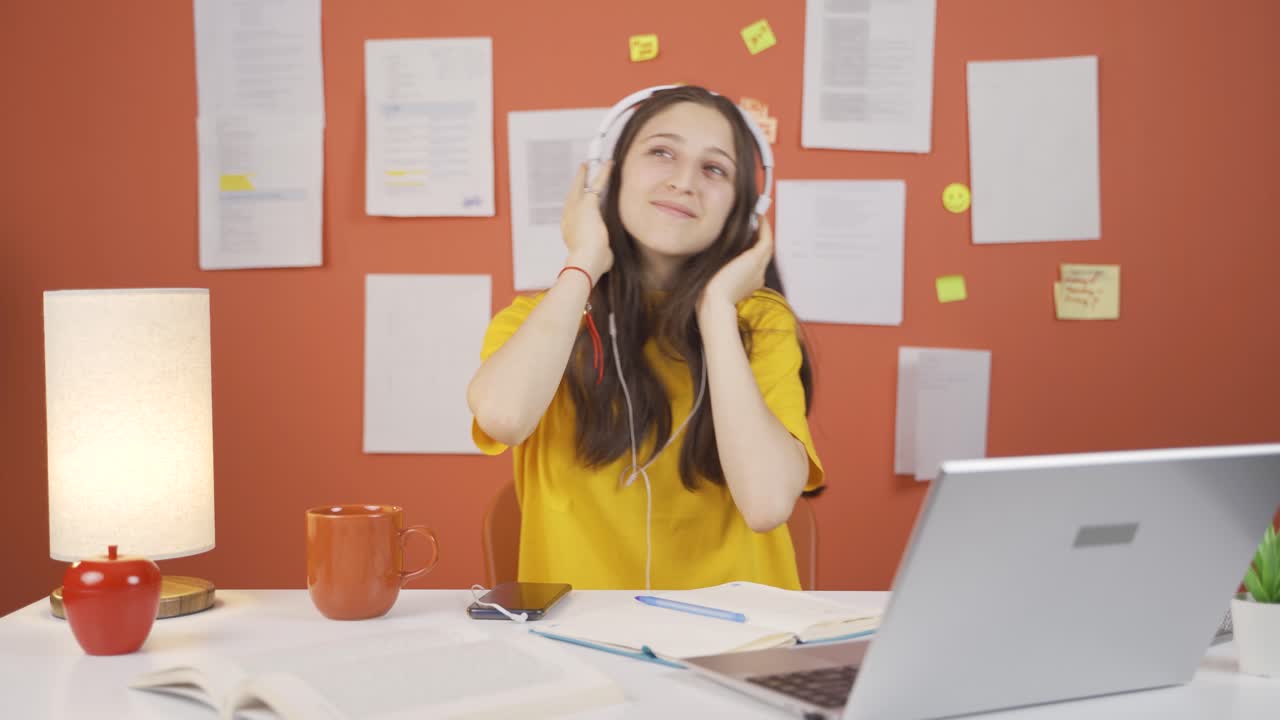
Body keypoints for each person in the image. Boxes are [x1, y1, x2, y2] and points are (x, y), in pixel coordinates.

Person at [468, 85, 823, 591]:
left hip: (739, 640)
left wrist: (718, 311)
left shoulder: (759, 323)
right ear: (605, 177)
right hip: (581, 641)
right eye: (662, 152)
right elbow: (503, 418)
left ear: (744, 210)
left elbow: (766, 504)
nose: (684, 182)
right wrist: (585, 260)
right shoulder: (538, 320)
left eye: (715, 169)